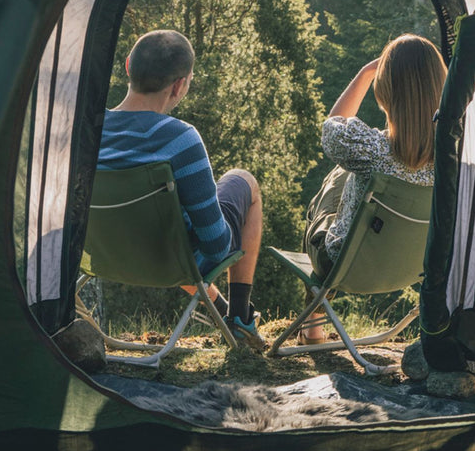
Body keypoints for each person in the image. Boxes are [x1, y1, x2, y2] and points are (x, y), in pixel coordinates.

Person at [97, 29, 266, 350]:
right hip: (170, 259)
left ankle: (224, 311)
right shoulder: (181, 139)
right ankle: (241, 317)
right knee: (244, 181)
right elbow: (217, 248)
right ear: (179, 86)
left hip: (103, 258)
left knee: (168, 223)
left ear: (129, 66)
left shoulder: (88, 130)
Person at [301, 34, 447, 342]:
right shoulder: (454, 156)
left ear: (384, 93)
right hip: (413, 268)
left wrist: (366, 73)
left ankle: (312, 329)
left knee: (334, 181)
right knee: (345, 175)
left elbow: (334, 125)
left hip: (343, 265)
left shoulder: (370, 149)